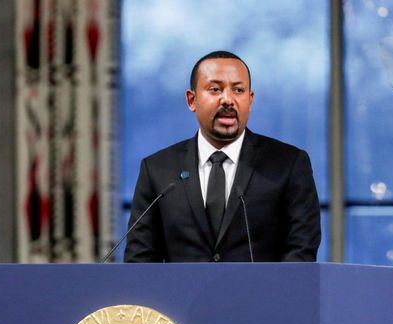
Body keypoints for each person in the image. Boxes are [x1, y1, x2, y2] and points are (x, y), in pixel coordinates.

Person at [124, 50, 321, 263]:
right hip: (179, 296)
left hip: (261, 296)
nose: (228, 99)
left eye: (238, 90)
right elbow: (140, 261)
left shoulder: (288, 164)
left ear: (250, 100)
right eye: (215, 89)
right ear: (192, 100)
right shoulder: (158, 170)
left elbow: (301, 253)